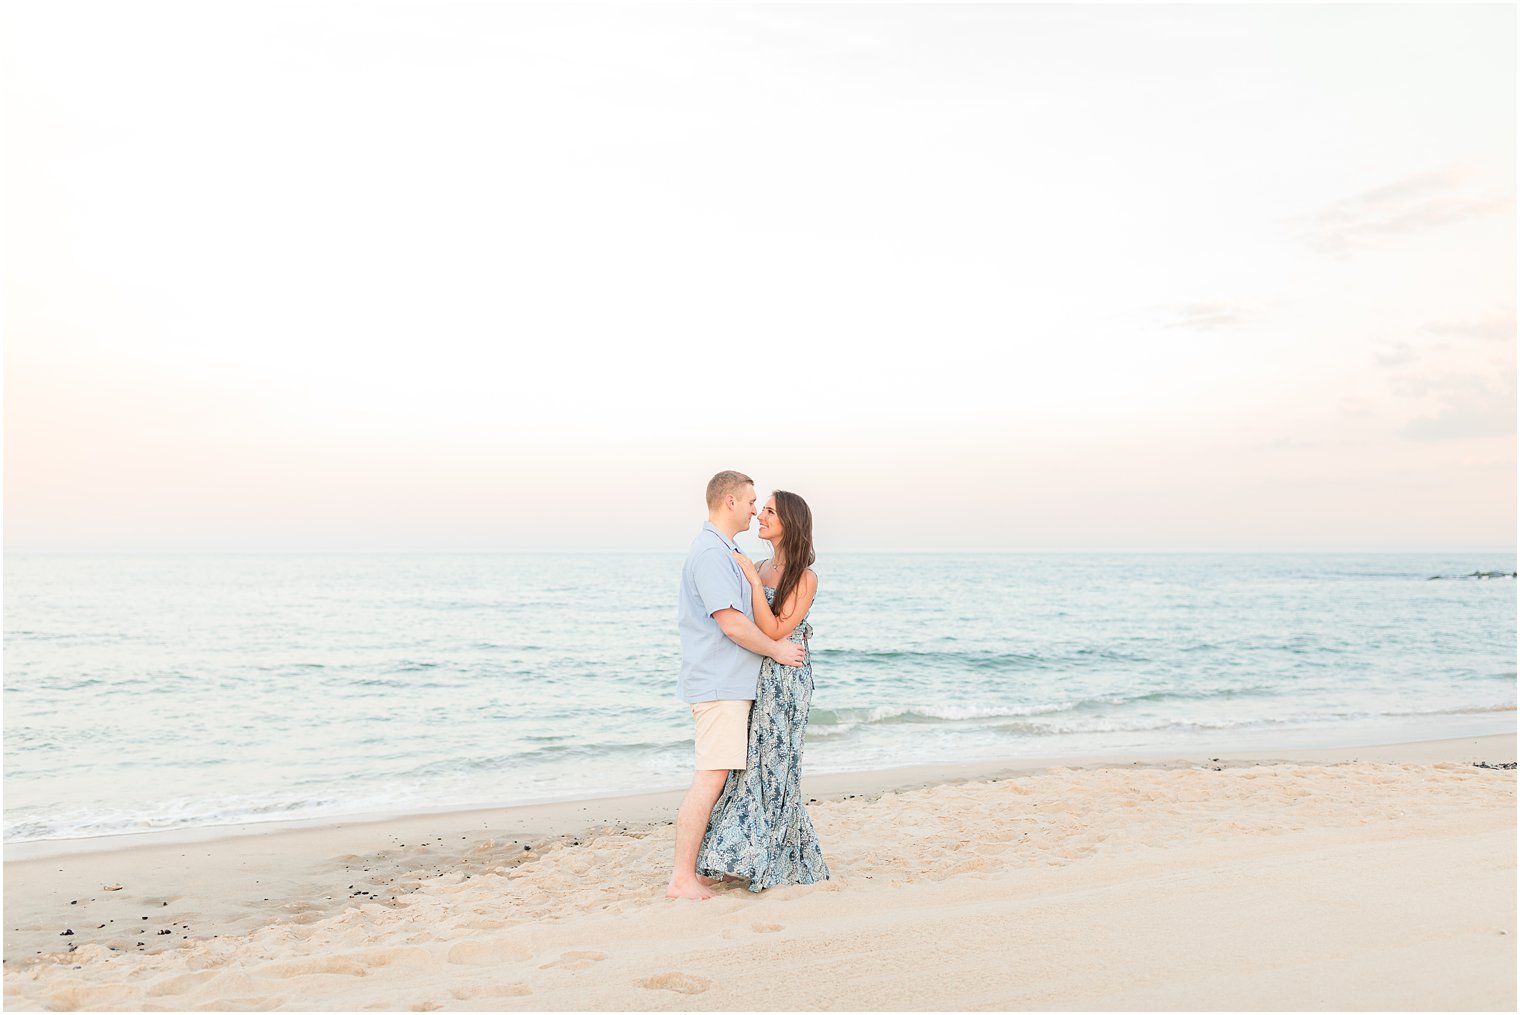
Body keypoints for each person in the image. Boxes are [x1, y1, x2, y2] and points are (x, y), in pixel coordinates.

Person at [668, 471, 806, 901]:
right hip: (718, 685)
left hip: (732, 684)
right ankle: (682, 878)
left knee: (725, 780)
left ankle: (707, 868)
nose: (754, 509)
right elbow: (730, 623)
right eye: (750, 501)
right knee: (710, 778)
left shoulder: (731, 551)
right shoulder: (712, 553)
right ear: (730, 501)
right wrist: (777, 650)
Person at [695, 489, 830, 892]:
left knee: (776, 766)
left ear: (789, 522)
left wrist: (754, 581)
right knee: (752, 765)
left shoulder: (805, 578)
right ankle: (741, 853)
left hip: (787, 679)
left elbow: (773, 630)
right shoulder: (759, 564)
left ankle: (773, 857)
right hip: (758, 674)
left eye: (769, 511)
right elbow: (747, 625)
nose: (760, 516)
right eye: (760, 508)